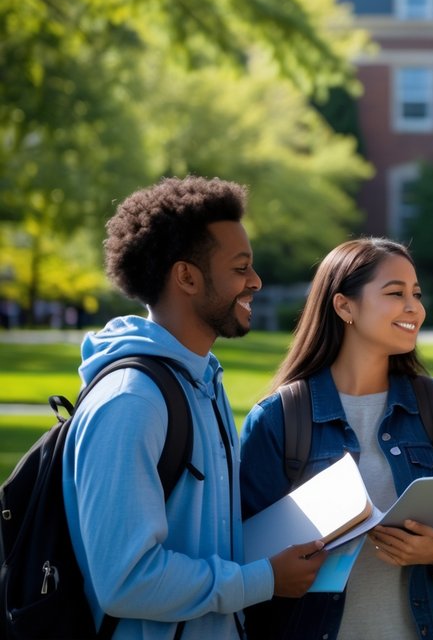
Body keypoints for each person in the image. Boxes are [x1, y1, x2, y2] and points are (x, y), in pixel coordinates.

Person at [63, 176, 324, 639]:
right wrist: (262, 580)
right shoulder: (131, 400)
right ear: (186, 276)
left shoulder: (204, 381)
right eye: (241, 267)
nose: (256, 281)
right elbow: (126, 581)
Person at [240, 237, 433, 640]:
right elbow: (245, 546)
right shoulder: (279, 417)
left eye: (416, 294)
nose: (415, 308)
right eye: (395, 293)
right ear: (344, 306)